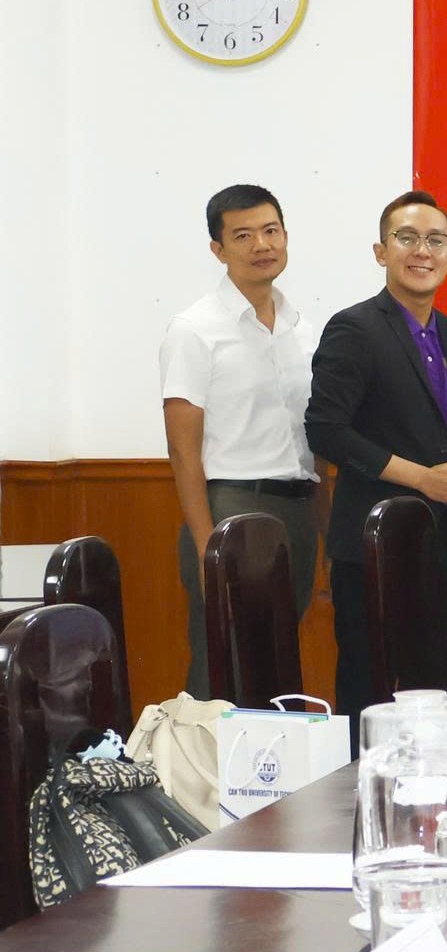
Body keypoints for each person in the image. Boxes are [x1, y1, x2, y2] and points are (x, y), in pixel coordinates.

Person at [305, 191, 447, 712]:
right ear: (380, 251)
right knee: (371, 695)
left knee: (438, 694)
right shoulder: (354, 328)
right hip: (377, 547)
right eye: (407, 237)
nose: (422, 251)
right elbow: (325, 430)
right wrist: (421, 478)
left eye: (436, 240)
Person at [160, 184, 321, 699]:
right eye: (244, 235)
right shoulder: (195, 329)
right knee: (223, 665)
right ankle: (204, 756)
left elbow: (312, 437)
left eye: (271, 231)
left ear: (286, 236)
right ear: (218, 249)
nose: (261, 245)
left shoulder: (302, 328)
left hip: (297, 508)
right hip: (231, 506)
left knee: (277, 659)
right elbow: (183, 450)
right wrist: (205, 543)